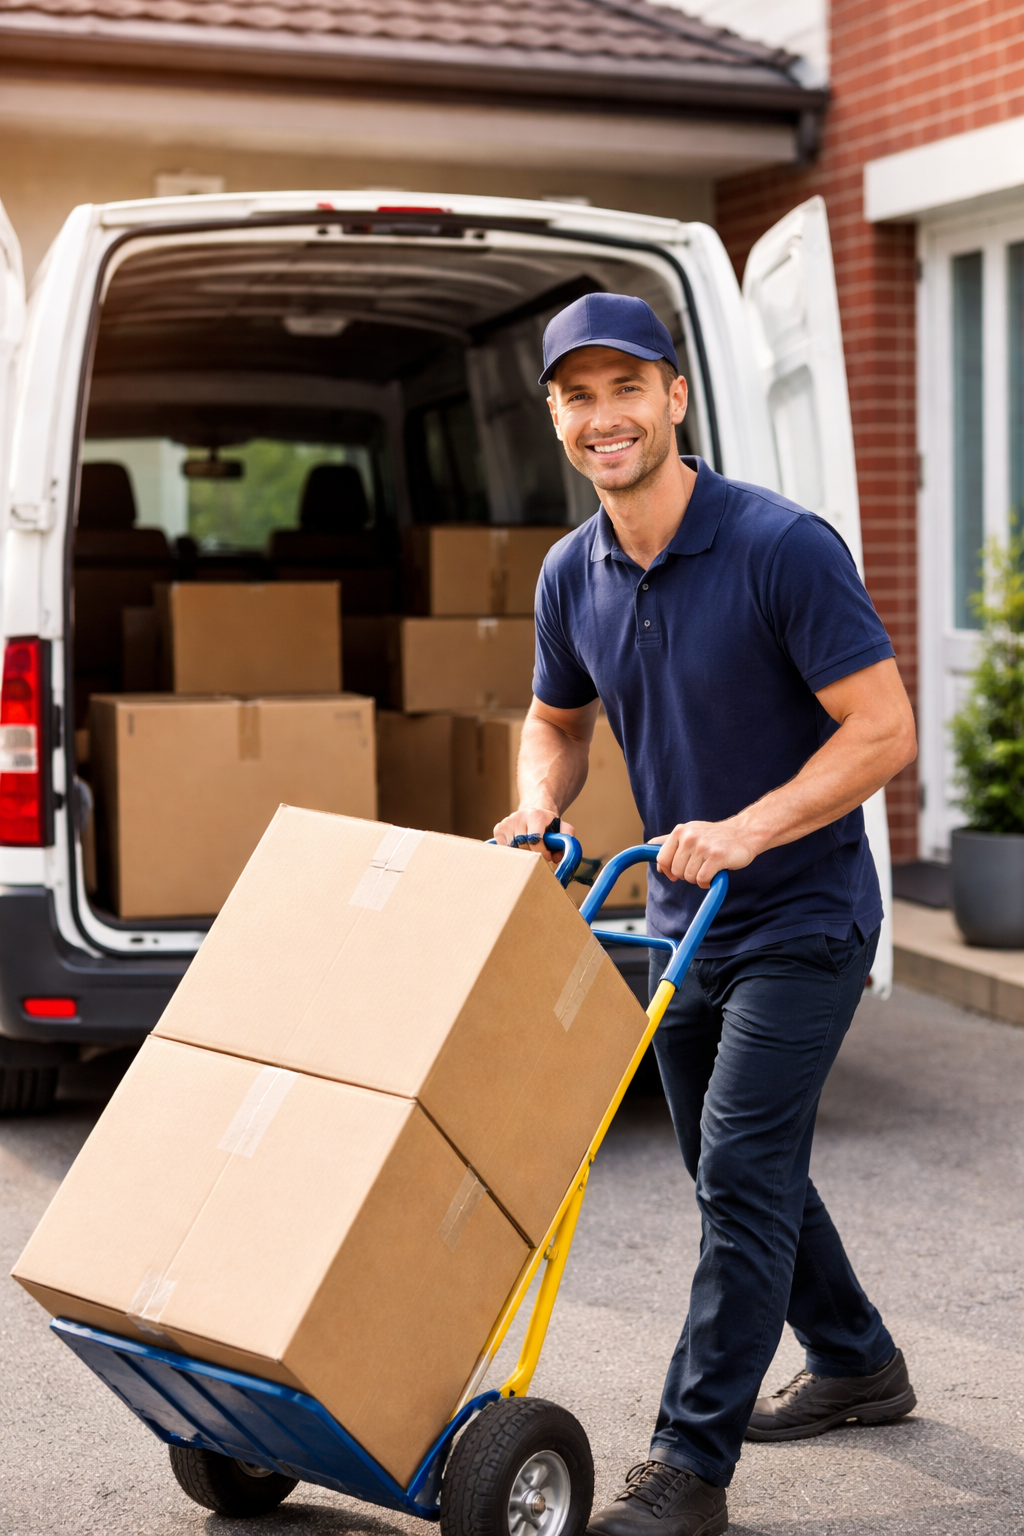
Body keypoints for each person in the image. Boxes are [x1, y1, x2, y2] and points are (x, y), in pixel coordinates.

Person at [494, 293, 919, 1536]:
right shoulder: (571, 570)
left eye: (626, 387)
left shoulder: (781, 547)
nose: (602, 416)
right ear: (557, 419)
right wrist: (535, 808)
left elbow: (882, 728)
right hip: (684, 921)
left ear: (675, 397)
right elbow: (556, 722)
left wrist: (749, 826)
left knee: (738, 1164)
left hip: (802, 909)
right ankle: (856, 1359)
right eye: (577, 396)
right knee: (733, 1163)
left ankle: (687, 1467)